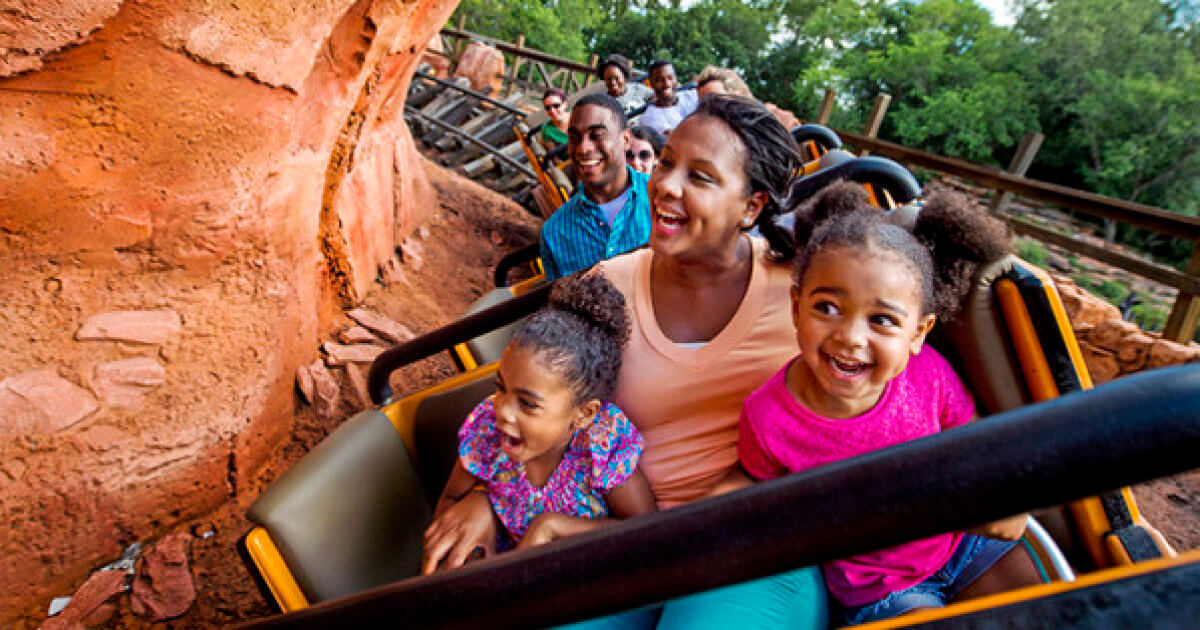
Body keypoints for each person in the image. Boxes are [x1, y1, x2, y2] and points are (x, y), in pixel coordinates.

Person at [733, 182, 1041, 625]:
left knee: (1049, 611)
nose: (850, 337)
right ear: (797, 306)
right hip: (881, 584)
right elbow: (761, 500)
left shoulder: (928, 374)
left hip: (962, 543)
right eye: (827, 308)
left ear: (917, 333)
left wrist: (999, 500)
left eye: (882, 320)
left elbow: (975, 444)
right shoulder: (767, 417)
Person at [423, 274, 656, 573]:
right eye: (500, 388)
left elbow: (644, 529)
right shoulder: (488, 431)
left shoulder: (601, 446)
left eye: (528, 404)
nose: (503, 411)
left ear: (583, 415)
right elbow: (452, 499)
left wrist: (553, 527)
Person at [539, 93, 651, 281]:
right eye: (574, 138)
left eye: (597, 135)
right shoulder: (555, 233)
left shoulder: (663, 198)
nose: (583, 148)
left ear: (625, 139)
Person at [638, 60, 699, 136]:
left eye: (670, 78)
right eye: (659, 80)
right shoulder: (649, 117)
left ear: (676, 79)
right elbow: (677, 138)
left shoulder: (692, 95)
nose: (667, 84)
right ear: (651, 83)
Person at [598, 54, 654, 118]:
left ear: (624, 77)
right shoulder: (603, 102)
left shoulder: (637, 88)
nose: (613, 83)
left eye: (616, 78)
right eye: (608, 79)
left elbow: (656, 99)